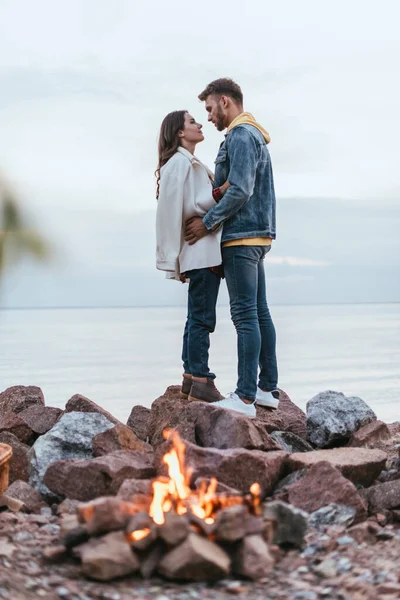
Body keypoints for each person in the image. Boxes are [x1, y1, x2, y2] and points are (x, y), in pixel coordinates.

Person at [185, 78, 279, 418]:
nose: (208, 117)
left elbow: (239, 189)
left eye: (209, 108)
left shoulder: (240, 136)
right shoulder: (254, 136)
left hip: (241, 237)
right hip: (259, 235)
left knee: (244, 315)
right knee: (259, 311)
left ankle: (244, 397)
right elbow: (241, 187)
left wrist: (207, 222)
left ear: (225, 101)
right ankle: (267, 389)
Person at [156, 110, 229, 404]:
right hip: (201, 250)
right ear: (179, 133)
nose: (200, 124)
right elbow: (178, 210)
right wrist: (223, 190)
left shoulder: (186, 163)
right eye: (192, 122)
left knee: (195, 317)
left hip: (199, 252)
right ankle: (200, 379)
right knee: (202, 318)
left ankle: (190, 377)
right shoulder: (180, 163)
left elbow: (188, 203)